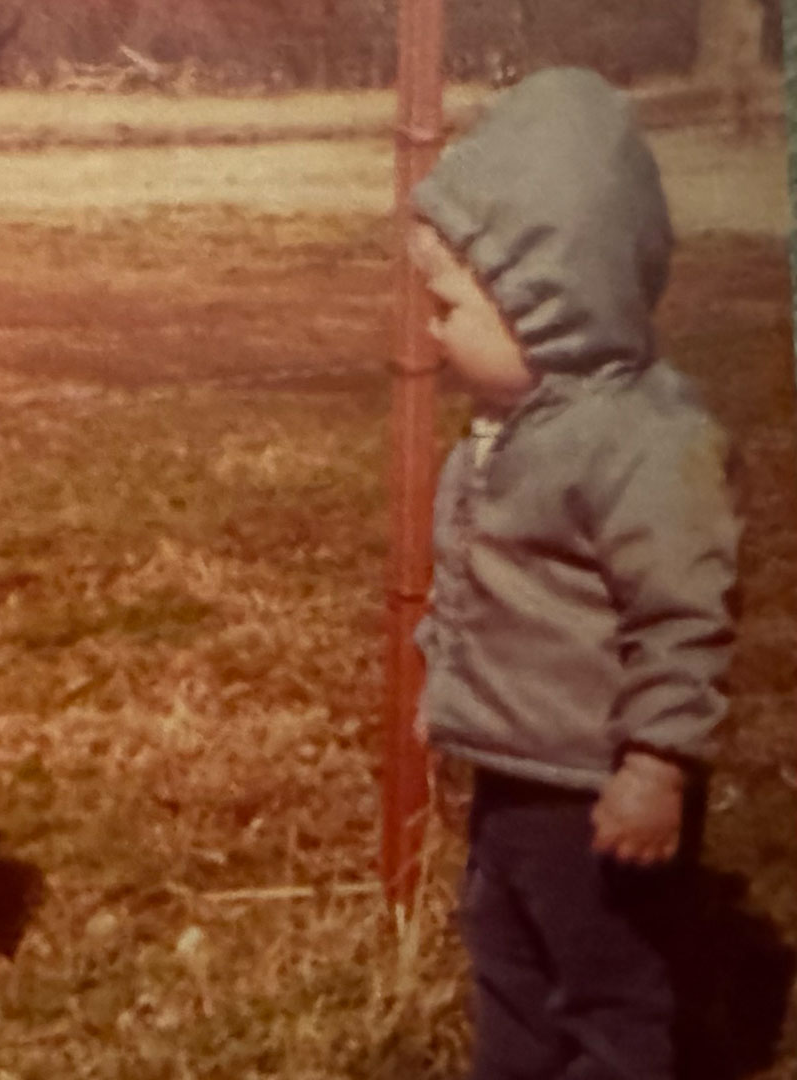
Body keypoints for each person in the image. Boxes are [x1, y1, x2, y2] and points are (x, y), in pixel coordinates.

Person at [407, 67, 741, 1080]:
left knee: (605, 984)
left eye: (449, 305)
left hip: (594, 784)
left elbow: (683, 620)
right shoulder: (523, 427)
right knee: (505, 954)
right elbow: (483, 585)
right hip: (516, 772)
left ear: (546, 301)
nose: (431, 327)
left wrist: (654, 766)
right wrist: (444, 681)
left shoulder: (646, 444)